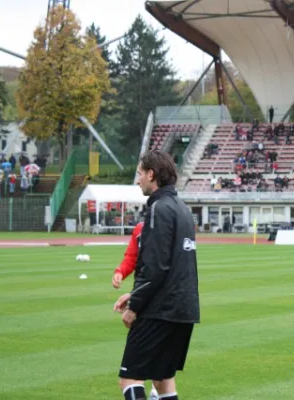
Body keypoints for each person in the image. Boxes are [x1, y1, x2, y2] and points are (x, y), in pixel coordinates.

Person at [113, 150, 200, 400]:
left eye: (140, 174)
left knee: (129, 378)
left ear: (152, 174)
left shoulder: (159, 209)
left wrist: (135, 306)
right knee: (162, 380)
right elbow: (171, 266)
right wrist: (134, 293)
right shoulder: (182, 209)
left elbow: (154, 267)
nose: (137, 179)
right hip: (184, 309)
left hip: (160, 312)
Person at [112, 220, 160, 400]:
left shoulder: (160, 226)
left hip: (150, 305)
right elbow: (131, 256)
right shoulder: (141, 229)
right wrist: (120, 272)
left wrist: (135, 300)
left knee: (129, 378)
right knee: (163, 376)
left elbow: (157, 269)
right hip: (170, 304)